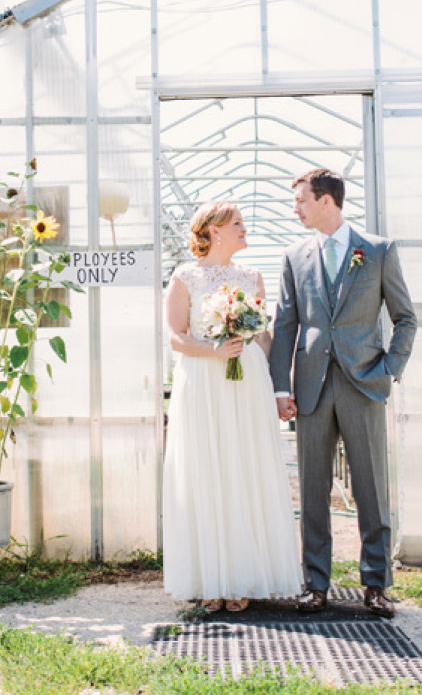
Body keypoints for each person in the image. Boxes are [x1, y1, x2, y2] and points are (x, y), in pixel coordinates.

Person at [268, 168, 416, 618]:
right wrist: (280, 387)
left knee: (371, 487)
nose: (295, 210)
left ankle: (376, 585)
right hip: (311, 386)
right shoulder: (294, 256)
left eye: (301, 201)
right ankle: (316, 584)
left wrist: (389, 368)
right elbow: (285, 325)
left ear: (326, 201)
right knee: (312, 491)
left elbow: (405, 317)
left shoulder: (377, 250)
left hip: (364, 382)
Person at [161, 201, 303, 612]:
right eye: (237, 223)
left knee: (245, 470)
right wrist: (214, 349)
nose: (245, 228)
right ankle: (210, 577)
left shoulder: (252, 277)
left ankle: (242, 575)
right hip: (203, 382)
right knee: (207, 471)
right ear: (215, 230)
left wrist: (280, 388)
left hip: (247, 383)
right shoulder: (185, 276)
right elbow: (176, 336)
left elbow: (263, 338)